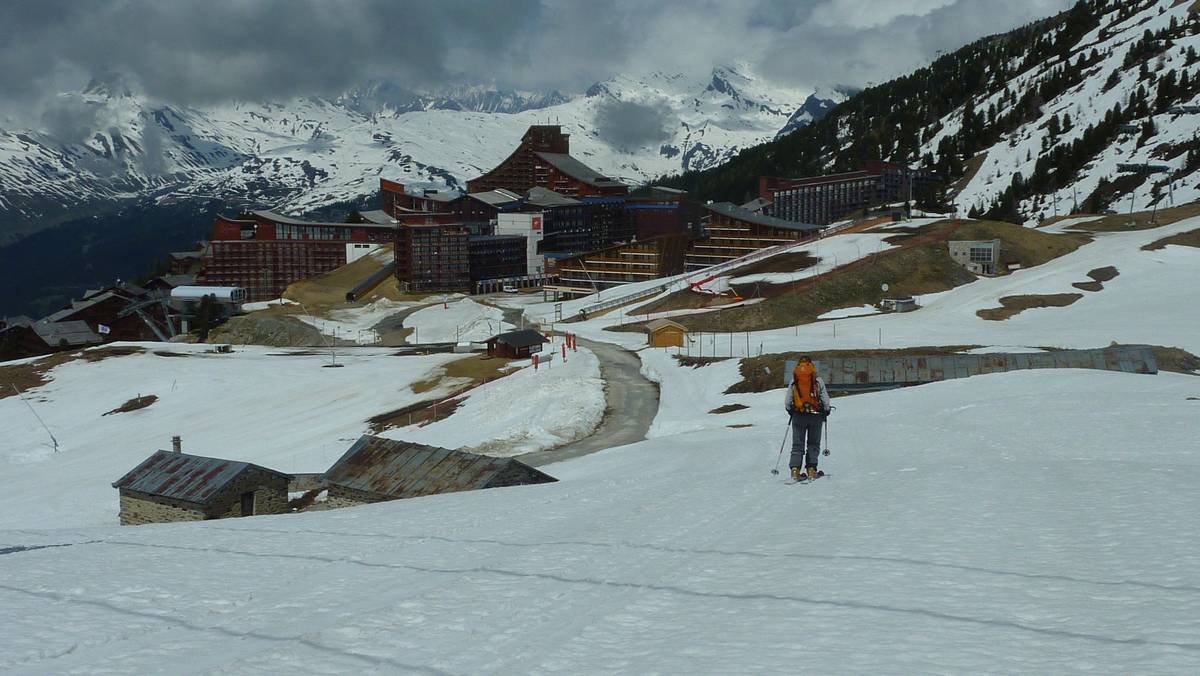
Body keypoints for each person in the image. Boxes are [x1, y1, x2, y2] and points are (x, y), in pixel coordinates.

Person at [784, 356, 831, 480]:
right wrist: (826, 410)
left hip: (798, 416)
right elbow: (825, 399)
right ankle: (811, 469)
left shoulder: (794, 380)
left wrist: (791, 410)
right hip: (815, 416)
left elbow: (788, 401)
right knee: (813, 443)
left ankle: (795, 470)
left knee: (797, 444)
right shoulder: (818, 380)